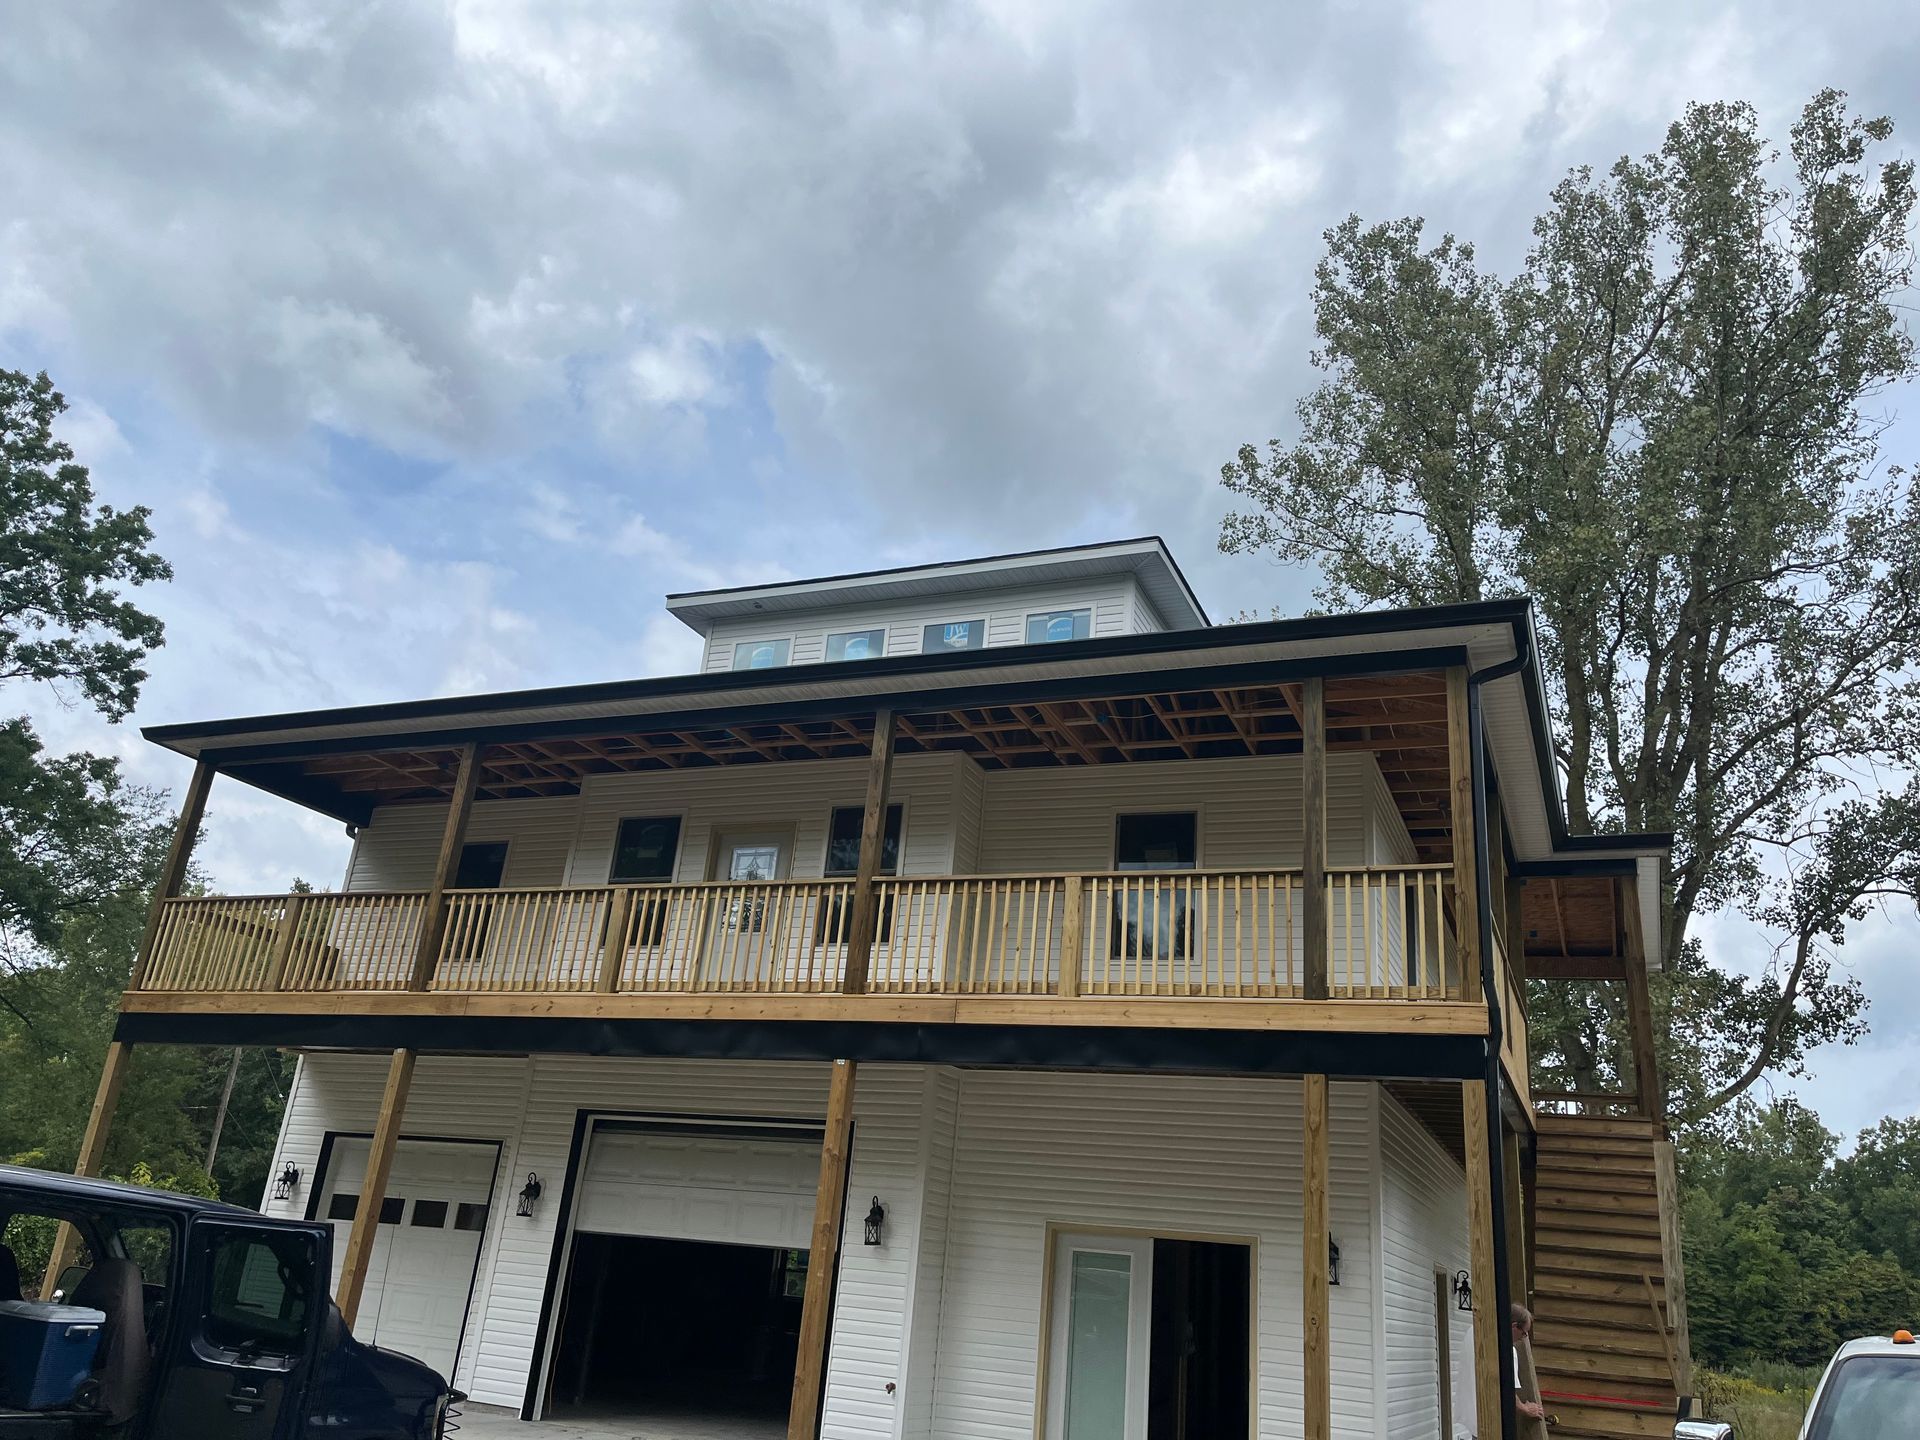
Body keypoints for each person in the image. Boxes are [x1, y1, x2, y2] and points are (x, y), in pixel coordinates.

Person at [1511, 1303, 1550, 1440]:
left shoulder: (1473, 1333)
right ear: (1514, 1326)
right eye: (1524, 1333)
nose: (1523, 1337)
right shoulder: (1509, 1351)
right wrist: (1524, 1408)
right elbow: (1508, 1389)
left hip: (1472, 1420)